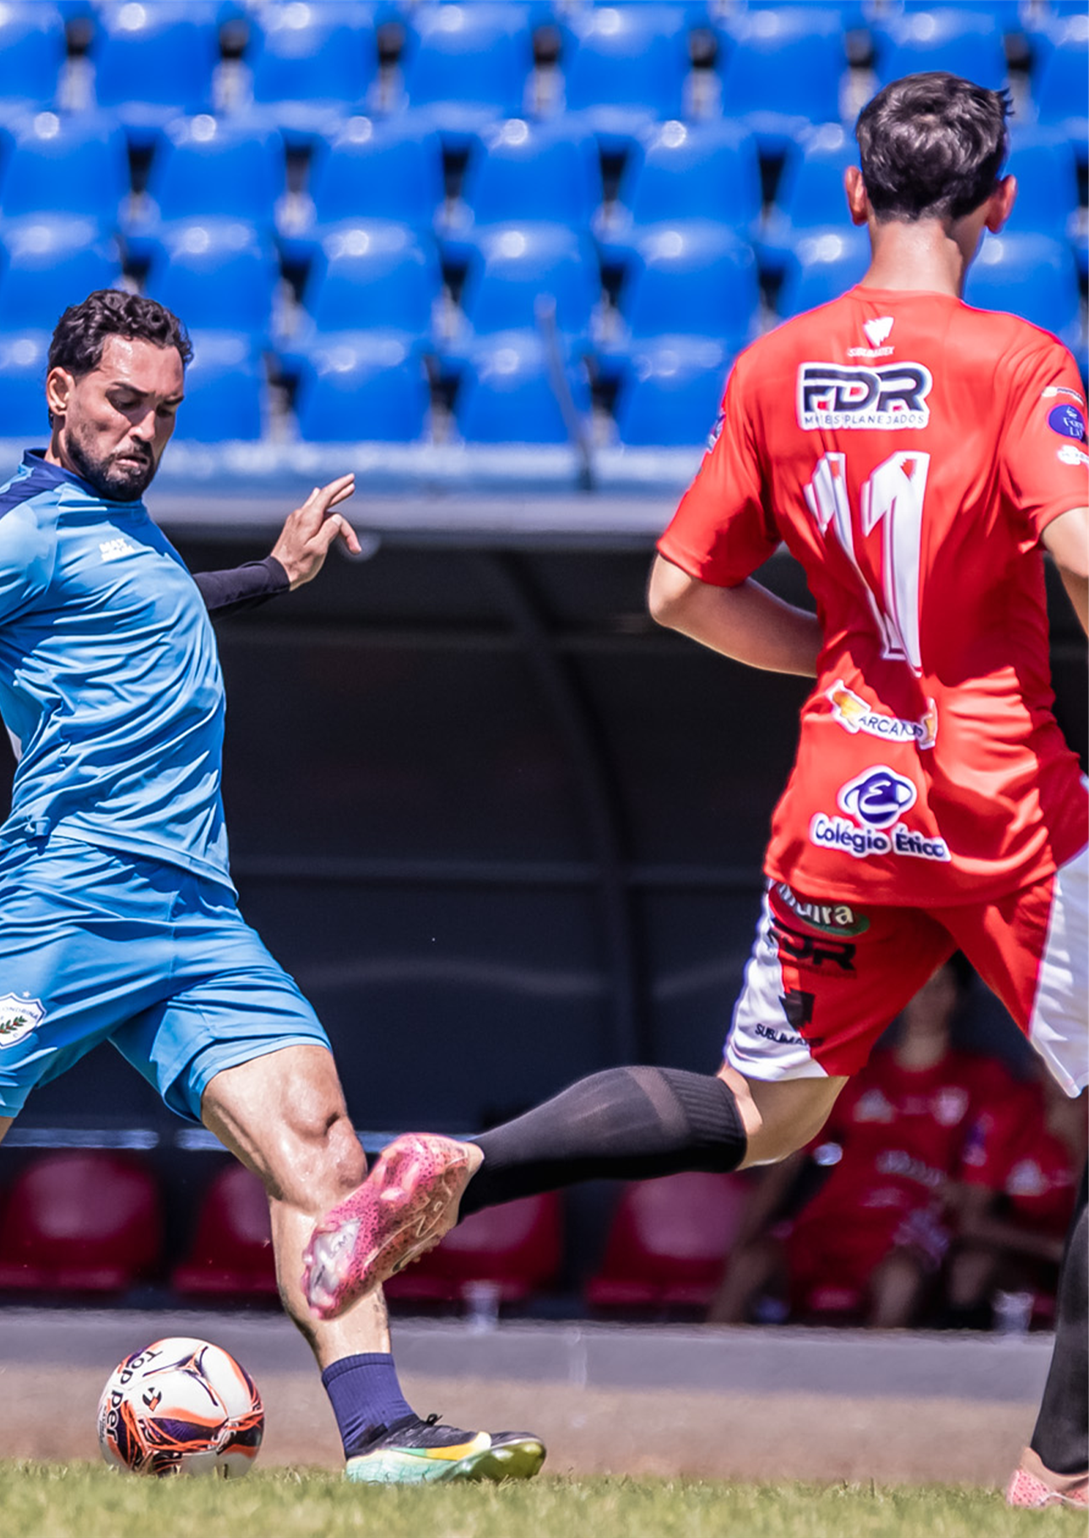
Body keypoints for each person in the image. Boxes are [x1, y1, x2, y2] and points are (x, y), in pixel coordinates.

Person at [298, 72, 1089, 1507]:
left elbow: (677, 588)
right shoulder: (1022, 362)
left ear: (855, 195)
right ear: (1003, 206)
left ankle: (466, 1160)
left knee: (761, 1110)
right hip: (1003, 804)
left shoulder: (777, 365)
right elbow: (1083, 548)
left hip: (845, 799)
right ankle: (1063, 1468)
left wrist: (838, 659)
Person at [0, 290, 544, 1485]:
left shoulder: (126, 528)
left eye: (165, 412)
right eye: (122, 403)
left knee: (320, 1148)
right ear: (58, 391)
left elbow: (154, 610)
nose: (143, 429)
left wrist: (273, 575)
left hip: (196, 916)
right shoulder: (13, 523)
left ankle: (381, 1431)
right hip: (65, 904)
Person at [707, 962, 1004, 1327]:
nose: (926, 999)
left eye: (940, 987)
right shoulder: (855, 1073)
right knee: (750, 1265)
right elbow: (789, 1163)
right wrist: (744, 1240)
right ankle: (700, 1384)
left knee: (901, 1281)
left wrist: (963, 1199)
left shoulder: (984, 1077)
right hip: (832, 1221)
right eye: (917, 986)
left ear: (958, 998)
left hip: (907, 1230)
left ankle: (878, 1385)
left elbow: (983, 1182)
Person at [947, 1060, 1089, 1325]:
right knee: (971, 1267)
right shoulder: (1008, 1112)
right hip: (1023, 1258)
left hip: (1081, 1258)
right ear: (1037, 1064)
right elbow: (971, 1221)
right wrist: (1053, 1248)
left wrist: (1076, 1145)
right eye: (1054, 1060)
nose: (1065, 1074)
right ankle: (961, 1363)